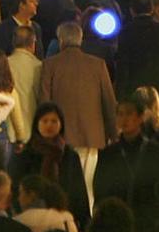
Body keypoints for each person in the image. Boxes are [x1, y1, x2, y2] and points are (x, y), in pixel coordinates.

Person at [38, 19, 117, 185]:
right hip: (93, 136)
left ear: (61, 41)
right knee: (88, 186)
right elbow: (109, 102)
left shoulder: (49, 65)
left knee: (64, 186)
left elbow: (44, 104)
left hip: (61, 139)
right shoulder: (98, 65)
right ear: (80, 40)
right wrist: (113, 134)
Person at [91, 97, 159, 226]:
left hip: (148, 220)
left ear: (140, 117)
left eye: (129, 113)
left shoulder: (155, 152)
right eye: (120, 114)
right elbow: (100, 187)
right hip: (116, 220)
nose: (124, 119)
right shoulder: (108, 153)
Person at [10, 104, 92, 232]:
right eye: (45, 121)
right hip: (30, 222)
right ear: (37, 124)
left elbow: (79, 190)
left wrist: (84, 222)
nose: (49, 125)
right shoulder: (25, 154)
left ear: (61, 125)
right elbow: (15, 187)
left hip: (64, 220)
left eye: (54, 121)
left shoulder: (69, 155)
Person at [14, 172, 83, 232]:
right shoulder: (67, 220)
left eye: (21, 193)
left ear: (32, 195)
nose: (18, 199)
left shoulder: (17, 223)